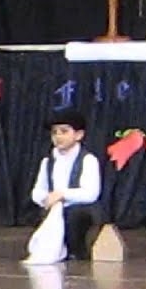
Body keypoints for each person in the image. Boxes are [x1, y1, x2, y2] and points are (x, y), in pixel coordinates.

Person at [27, 110, 102, 262]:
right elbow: (38, 190)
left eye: (64, 131)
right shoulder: (48, 161)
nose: (58, 136)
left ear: (79, 135)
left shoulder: (88, 160)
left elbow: (91, 193)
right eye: (54, 132)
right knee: (44, 215)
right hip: (55, 207)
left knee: (75, 216)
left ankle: (77, 251)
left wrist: (62, 194)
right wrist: (45, 198)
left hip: (79, 209)